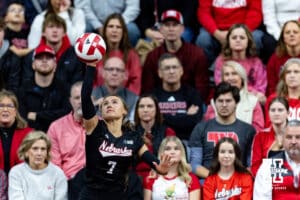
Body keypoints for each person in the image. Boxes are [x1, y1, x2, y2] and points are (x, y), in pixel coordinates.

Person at [79, 61, 173, 199]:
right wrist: (91, 66)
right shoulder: (95, 127)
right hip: (92, 195)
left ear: (124, 111)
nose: (109, 105)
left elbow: (152, 160)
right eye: (105, 103)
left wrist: (160, 167)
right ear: (101, 112)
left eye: (114, 102)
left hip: (118, 195)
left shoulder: (133, 137)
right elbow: (85, 97)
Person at [189, 82, 256, 179]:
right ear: (214, 102)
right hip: (208, 180)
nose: (224, 105)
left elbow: (252, 165)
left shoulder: (248, 130)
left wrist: (233, 180)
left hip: (238, 182)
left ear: (236, 103)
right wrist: (217, 179)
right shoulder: (201, 128)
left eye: (228, 101)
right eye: (220, 101)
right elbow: (194, 165)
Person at [142, 9, 209, 101]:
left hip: (190, 102)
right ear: (161, 29)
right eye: (167, 25)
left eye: (175, 25)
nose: (171, 29)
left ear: (182, 29)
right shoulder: (153, 56)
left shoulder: (197, 54)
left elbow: (202, 88)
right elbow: (147, 88)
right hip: (161, 104)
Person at [152, 53, 203, 154]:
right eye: (167, 68)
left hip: (186, 142)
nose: (171, 71)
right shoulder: (153, 96)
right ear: (159, 73)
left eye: (174, 67)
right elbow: (153, 123)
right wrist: (185, 115)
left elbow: (194, 121)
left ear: (181, 71)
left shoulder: (193, 94)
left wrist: (163, 117)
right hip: (159, 140)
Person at [18, 43, 71, 132]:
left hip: (59, 135)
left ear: (55, 65)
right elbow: (22, 118)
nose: (44, 61)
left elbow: (67, 115)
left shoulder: (64, 88)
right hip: (31, 137)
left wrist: (37, 116)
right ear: (33, 65)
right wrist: (51, 116)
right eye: (40, 58)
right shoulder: (23, 89)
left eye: (48, 58)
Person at [22, 13, 85, 87]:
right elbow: (27, 84)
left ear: (64, 33)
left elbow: (78, 85)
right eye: (51, 27)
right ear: (43, 32)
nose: (55, 30)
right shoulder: (32, 56)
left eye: (58, 27)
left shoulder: (76, 55)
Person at [47, 81, 85, 200]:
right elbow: (54, 165)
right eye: (77, 98)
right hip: (69, 183)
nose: (81, 101)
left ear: (92, 99)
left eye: (85, 96)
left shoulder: (102, 125)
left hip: (97, 183)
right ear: (70, 101)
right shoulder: (56, 127)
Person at [195, 0, 264, 65]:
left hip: (243, 29)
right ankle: (212, 71)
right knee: (203, 39)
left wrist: (240, 33)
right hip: (217, 30)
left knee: (256, 37)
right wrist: (216, 33)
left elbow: (255, 12)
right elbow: (204, 13)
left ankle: (250, 68)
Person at [213, 24, 267, 103]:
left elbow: (261, 88)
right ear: (229, 41)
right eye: (234, 38)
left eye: (242, 38)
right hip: (228, 99)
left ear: (248, 41)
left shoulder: (256, 62)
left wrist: (251, 94)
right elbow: (220, 85)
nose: (238, 40)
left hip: (252, 100)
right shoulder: (221, 61)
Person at [205, 61, 264, 131]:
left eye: (234, 74)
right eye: (227, 74)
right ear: (222, 79)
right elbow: (209, 128)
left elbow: (258, 130)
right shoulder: (214, 102)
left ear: (241, 78)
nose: (230, 78)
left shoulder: (253, 101)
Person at [8, 130, 68, 199]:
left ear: (47, 152)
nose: (39, 153)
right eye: (35, 149)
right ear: (26, 151)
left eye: (43, 149)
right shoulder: (16, 172)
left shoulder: (57, 173)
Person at [94, 13, 141, 95]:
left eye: (118, 27)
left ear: (124, 32)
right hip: (99, 102)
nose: (114, 30)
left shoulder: (132, 55)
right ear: (104, 30)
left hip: (125, 103)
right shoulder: (96, 53)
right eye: (111, 26)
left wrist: (124, 103)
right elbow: (91, 81)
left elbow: (135, 82)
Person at [254, 120, 300, 199]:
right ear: (282, 140)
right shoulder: (268, 166)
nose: (293, 141)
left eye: (298, 137)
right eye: (289, 137)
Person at [134, 94, 176, 178]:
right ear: (137, 111)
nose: (145, 110)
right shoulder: (130, 132)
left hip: (161, 174)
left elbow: (172, 158)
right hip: (135, 176)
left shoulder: (167, 132)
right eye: (141, 106)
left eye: (150, 106)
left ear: (156, 110)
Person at [74, 0, 140, 46]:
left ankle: (127, 58)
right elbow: (82, 7)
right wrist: (98, 26)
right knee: (84, 29)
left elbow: (133, 8)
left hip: (120, 21)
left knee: (132, 30)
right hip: (93, 22)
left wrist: (118, 24)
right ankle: (85, 61)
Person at [251, 97, 288, 177]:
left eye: (280, 110)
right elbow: (255, 166)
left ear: (288, 113)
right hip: (267, 183)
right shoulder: (260, 136)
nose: (276, 113)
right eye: (273, 110)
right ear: (268, 113)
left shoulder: (297, 134)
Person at [92, 56, 139, 121]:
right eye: (110, 69)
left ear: (125, 75)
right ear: (103, 73)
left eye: (119, 70)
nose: (114, 73)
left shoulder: (134, 100)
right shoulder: (91, 96)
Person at [0, 90, 32, 174]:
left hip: (21, 180)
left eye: (10, 106)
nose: (5, 109)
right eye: (1, 106)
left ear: (15, 111)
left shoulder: (29, 134)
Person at [266, 20, 300, 95]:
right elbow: (271, 87)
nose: (291, 35)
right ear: (283, 38)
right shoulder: (275, 58)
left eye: (295, 32)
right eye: (287, 32)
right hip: (281, 99)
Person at [265, 58, 300, 127]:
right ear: (284, 77)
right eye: (288, 72)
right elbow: (269, 126)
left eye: (296, 72)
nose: (292, 75)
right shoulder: (273, 99)